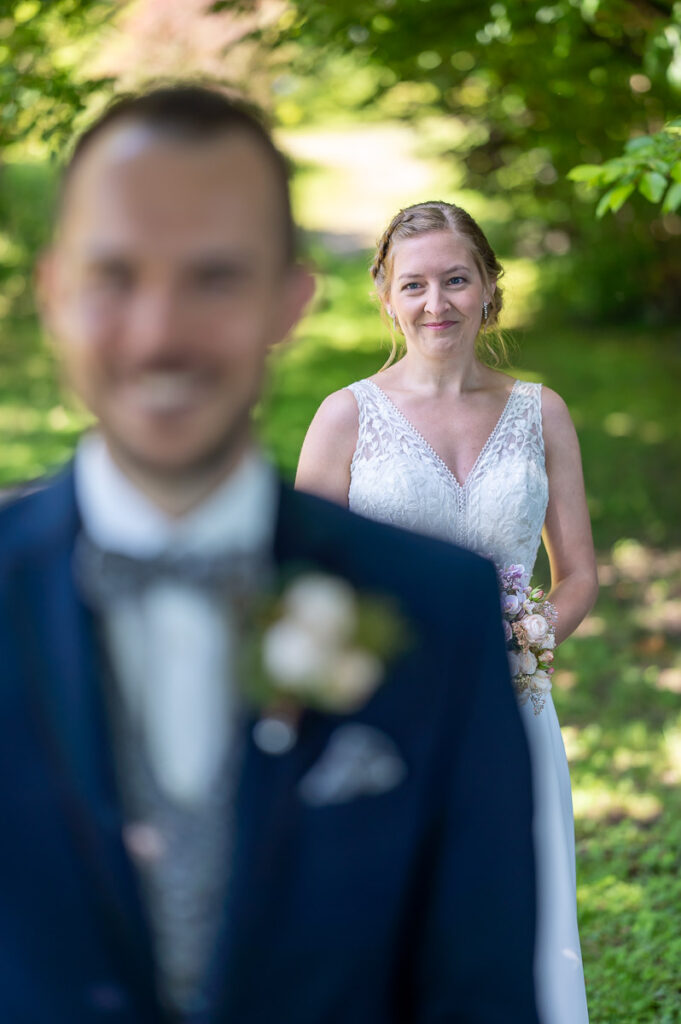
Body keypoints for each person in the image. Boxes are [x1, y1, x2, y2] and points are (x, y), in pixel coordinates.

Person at [0, 91, 540, 1023]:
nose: (161, 332)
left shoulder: (437, 614)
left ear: (288, 300)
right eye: (115, 275)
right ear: (52, 292)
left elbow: (477, 994)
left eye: (214, 276)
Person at [296, 199, 599, 1024]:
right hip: (384, 715)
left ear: (489, 290)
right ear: (385, 295)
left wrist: (532, 635)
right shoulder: (345, 417)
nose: (437, 304)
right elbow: (297, 593)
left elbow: (576, 575)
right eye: (415, 284)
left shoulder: (542, 412)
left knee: (520, 921)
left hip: (514, 712)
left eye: (457, 280)